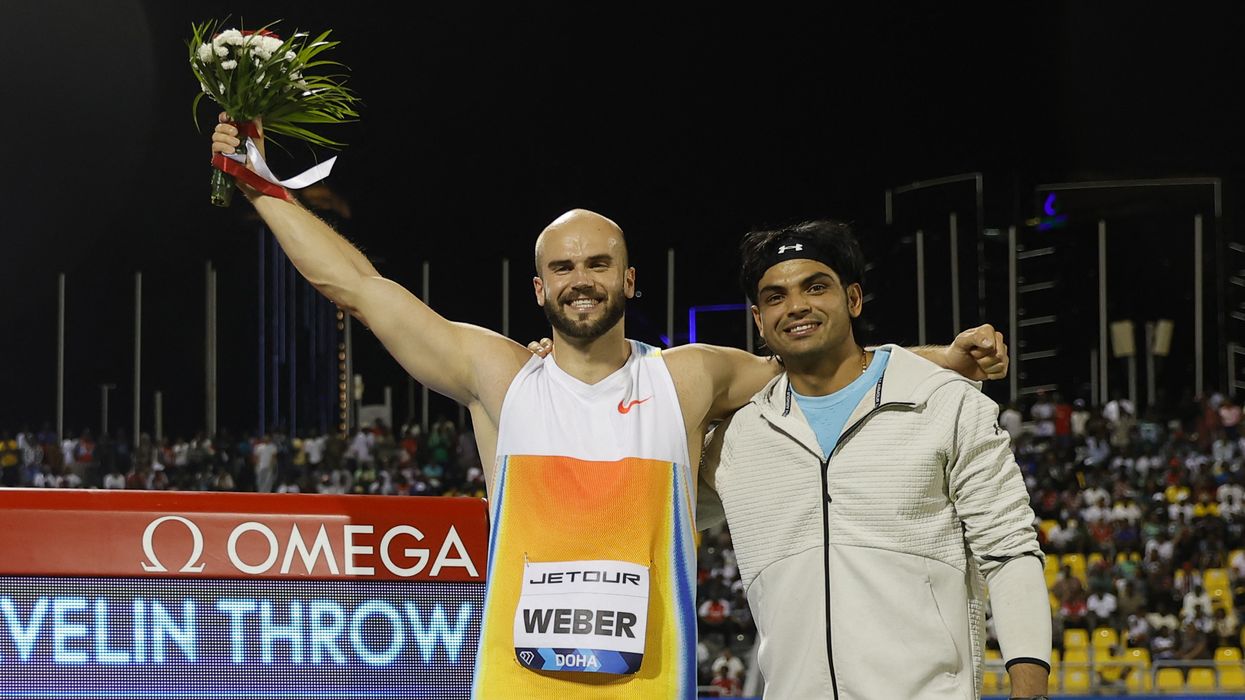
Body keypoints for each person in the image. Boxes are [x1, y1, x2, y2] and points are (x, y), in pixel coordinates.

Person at [210, 119, 1007, 699]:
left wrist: (939, 358)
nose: (580, 278)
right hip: (517, 685)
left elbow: (817, 363)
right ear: (539, 288)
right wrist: (258, 183)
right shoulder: (498, 375)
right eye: (562, 268)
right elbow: (357, 288)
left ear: (628, 281)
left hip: (653, 684)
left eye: (598, 264)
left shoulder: (687, 378)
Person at [700, 220, 1050, 699]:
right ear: (759, 321)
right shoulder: (740, 439)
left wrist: (1030, 693)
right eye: (775, 296)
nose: (796, 306)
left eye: (815, 287)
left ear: (853, 299)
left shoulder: (944, 402)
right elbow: (655, 515)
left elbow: (1011, 553)